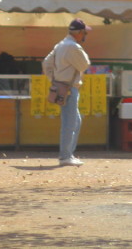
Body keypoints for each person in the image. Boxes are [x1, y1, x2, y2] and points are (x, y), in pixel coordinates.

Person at [43, 19, 91, 166]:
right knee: (70, 122)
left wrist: (54, 79)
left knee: (74, 120)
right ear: (79, 33)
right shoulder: (73, 47)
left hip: (61, 86)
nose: (85, 35)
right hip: (70, 88)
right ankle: (65, 156)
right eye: (84, 32)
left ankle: (68, 154)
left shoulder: (60, 45)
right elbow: (85, 64)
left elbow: (46, 63)